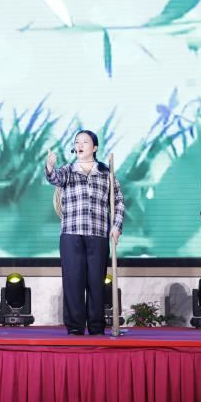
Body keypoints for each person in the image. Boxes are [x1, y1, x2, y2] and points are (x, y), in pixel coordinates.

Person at [45, 130, 124, 335]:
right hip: (71, 233)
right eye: (77, 142)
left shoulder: (106, 173)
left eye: (85, 142)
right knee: (73, 281)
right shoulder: (68, 170)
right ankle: (75, 327)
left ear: (94, 147)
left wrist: (116, 226)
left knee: (96, 282)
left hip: (98, 234)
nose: (79, 145)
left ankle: (96, 327)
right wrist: (50, 167)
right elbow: (54, 178)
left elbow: (118, 202)